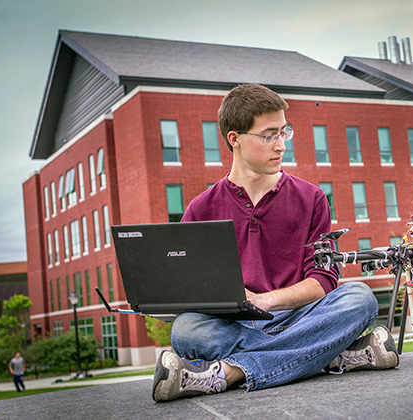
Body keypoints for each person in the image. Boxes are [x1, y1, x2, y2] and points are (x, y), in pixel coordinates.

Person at [152, 84, 399, 402]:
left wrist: (267, 301)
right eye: (269, 135)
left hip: (302, 315)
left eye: (284, 132)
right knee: (186, 329)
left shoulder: (312, 198)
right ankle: (328, 356)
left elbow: (324, 281)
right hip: (236, 326)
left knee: (360, 298)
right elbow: (190, 287)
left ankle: (226, 373)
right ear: (235, 139)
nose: (281, 145)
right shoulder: (201, 209)